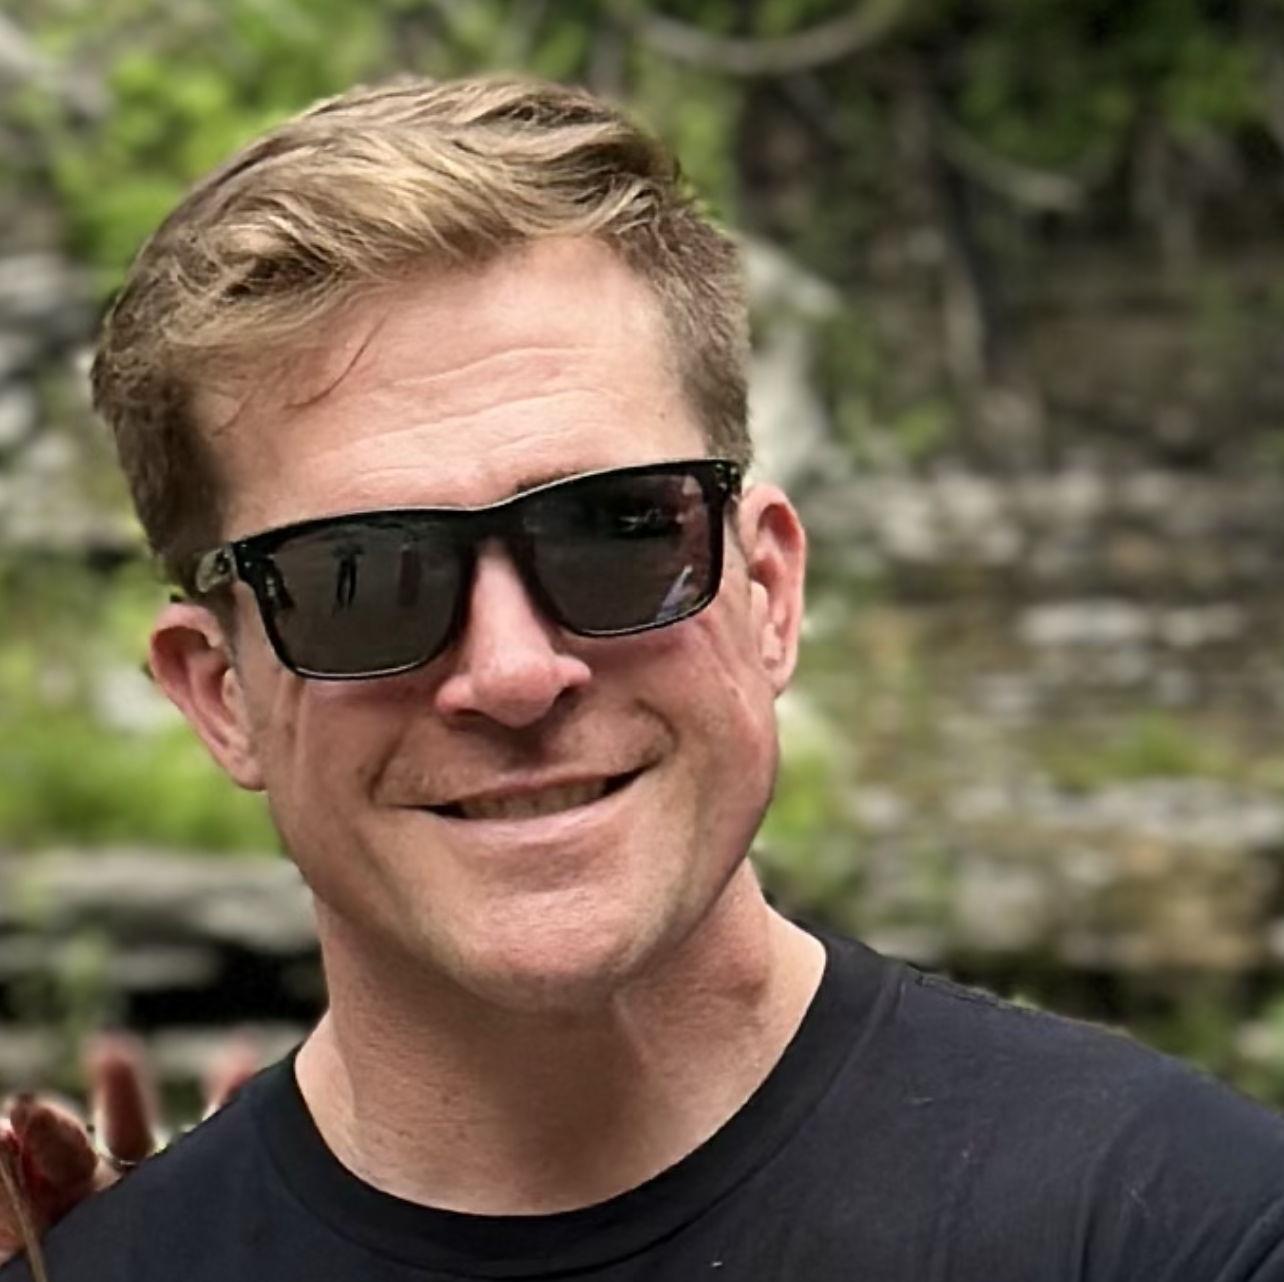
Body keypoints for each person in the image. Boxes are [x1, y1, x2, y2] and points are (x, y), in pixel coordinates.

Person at [2, 73, 1284, 1281]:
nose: (513, 671)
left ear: (767, 589)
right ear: (219, 691)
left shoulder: (1182, 1233)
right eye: (361, 579)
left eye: (614, 532)